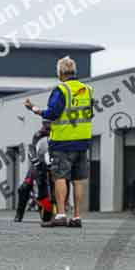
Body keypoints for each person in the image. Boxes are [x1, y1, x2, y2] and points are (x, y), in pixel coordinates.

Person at [24, 56, 93, 228]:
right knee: (78, 179)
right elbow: (89, 112)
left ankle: (61, 214)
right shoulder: (87, 89)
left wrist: (34, 109)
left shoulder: (61, 89)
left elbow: (52, 113)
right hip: (82, 140)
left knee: (60, 177)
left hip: (63, 141)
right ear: (74, 71)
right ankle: (77, 217)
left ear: (61, 72)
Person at [14, 120, 54, 222]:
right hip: (40, 162)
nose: (48, 125)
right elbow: (33, 147)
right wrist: (35, 158)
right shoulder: (38, 134)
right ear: (43, 124)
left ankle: (61, 211)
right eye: (47, 123)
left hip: (55, 162)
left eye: (50, 122)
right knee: (24, 187)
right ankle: (19, 213)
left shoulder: (59, 132)